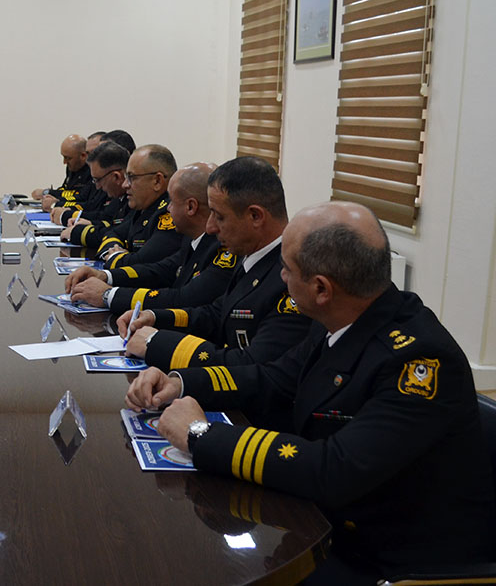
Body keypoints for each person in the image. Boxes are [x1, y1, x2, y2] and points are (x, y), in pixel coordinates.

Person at [125, 201, 496, 582]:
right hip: (331, 522)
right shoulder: (343, 318)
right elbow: (274, 378)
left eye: (287, 268)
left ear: (321, 288)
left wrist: (200, 434)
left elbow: (334, 468)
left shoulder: (418, 361)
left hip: (393, 560)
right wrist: (182, 382)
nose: (281, 276)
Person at [118, 156, 310, 381]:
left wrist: (157, 343)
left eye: (219, 216)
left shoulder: (293, 279)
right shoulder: (251, 256)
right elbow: (217, 314)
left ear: (255, 216)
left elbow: (252, 365)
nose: (209, 227)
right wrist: (155, 317)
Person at [67, 162, 238, 314]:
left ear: (191, 207)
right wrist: (105, 276)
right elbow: (162, 270)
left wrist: (108, 295)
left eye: (172, 202)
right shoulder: (192, 238)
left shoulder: (224, 248)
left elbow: (183, 299)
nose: (168, 208)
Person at [62, 144, 183, 270]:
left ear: (157, 181)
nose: (125, 185)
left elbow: (141, 264)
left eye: (131, 178)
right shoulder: (144, 209)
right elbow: (113, 233)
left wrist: (115, 257)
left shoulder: (170, 215)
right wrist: (119, 254)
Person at [50, 141, 129, 226]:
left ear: (116, 177)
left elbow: (117, 228)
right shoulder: (118, 195)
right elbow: (107, 218)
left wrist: (66, 215)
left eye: (98, 180)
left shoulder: (133, 198)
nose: (97, 187)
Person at [32, 134, 92, 210]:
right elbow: (65, 189)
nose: (64, 162)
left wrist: (50, 195)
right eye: (63, 157)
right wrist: (49, 196)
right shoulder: (72, 167)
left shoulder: (92, 171)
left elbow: (81, 197)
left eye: (68, 158)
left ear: (83, 156)